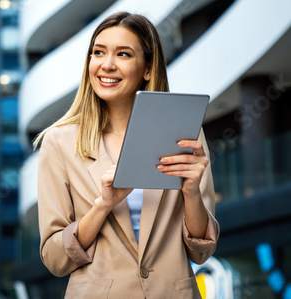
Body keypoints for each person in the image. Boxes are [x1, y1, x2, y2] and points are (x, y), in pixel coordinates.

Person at [33, 11, 219, 298]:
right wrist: (102, 206)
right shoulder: (60, 142)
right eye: (98, 52)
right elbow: (55, 258)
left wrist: (192, 193)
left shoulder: (185, 133)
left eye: (123, 54)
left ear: (147, 69)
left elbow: (201, 251)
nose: (107, 65)